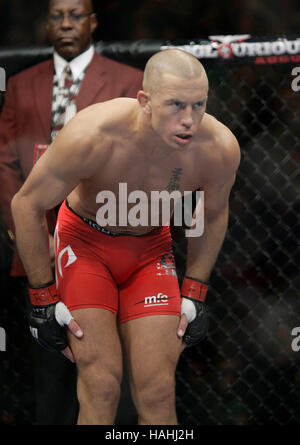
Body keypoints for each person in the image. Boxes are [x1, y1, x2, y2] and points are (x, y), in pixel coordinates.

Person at [11, 49, 240, 425]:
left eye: (199, 105)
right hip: (84, 246)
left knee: (158, 391)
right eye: (176, 105)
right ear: (145, 102)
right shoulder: (93, 134)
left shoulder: (218, 147)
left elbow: (213, 214)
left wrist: (196, 291)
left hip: (151, 251)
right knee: (101, 387)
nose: (189, 120)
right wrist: (42, 299)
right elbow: (26, 205)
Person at [0, 0, 143, 424]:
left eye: (75, 14)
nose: (66, 23)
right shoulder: (23, 84)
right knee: (50, 364)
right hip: (36, 238)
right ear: (47, 23)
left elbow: (136, 164)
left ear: (93, 21)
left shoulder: (127, 81)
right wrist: (22, 233)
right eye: (58, 15)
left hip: (106, 238)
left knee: (113, 366)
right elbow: (5, 163)